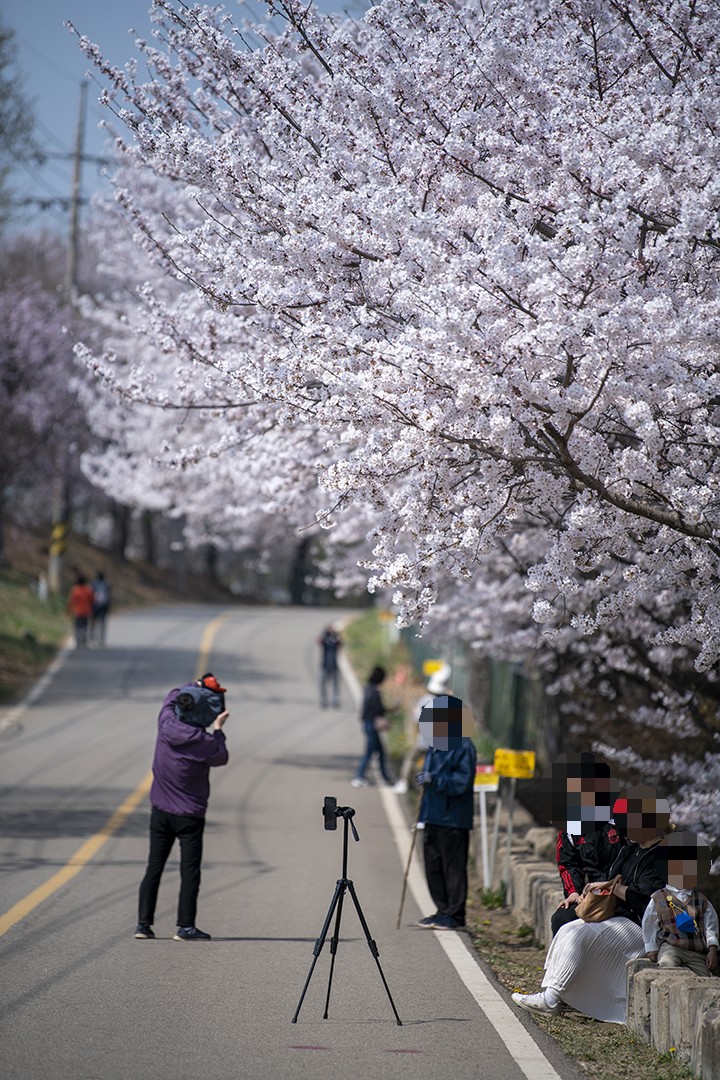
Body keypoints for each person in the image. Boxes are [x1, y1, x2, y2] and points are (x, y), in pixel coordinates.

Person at [512, 787, 671, 1022]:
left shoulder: (662, 854)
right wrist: (587, 889)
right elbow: (570, 862)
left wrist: (613, 888)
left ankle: (554, 997)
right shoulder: (632, 849)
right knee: (567, 926)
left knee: (581, 935)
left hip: (641, 927)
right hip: (619, 915)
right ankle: (555, 993)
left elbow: (648, 899)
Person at [135, 673, 229, 941]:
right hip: (190, 816)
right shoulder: (207, 743)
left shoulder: (165, 724)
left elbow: (171, 695)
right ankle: (185, 926)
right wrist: (219, 729)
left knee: (154, 867)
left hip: (160, 812)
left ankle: (143, 925)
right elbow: (222, 757)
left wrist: (196, 686)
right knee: (190, 872)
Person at [416, 695, 477, 931]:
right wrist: (424, 779)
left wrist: (436, 779)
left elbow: (462, 782)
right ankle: (442, 910)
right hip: (432, 813)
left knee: (453, 867)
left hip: (453, 818)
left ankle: (455, 914)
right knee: (433, 865)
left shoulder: (464, 746)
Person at [643, 830, 718, 977]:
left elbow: (711, 926)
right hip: (671, 946)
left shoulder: (701, 900)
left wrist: (713, 949)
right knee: (667, 967)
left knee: (704, 978)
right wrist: (651, 947)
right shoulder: (659, 898)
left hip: (696, 951)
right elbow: (649, 922)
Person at [393, 664, 451, 796]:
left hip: (424, 739)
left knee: (411, 758)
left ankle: (403, 782)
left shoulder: (425, 700)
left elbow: (417, 718)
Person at [351, 666, 394, 788]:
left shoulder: (368, 689)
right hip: (371, 725)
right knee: (370, 753)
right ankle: (359, 776)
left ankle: (385, 777)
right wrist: (390, 710)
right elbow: (378, 709)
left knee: (380, 752)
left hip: (368, 724)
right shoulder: (375, 692)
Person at [66, 574, 95, 648]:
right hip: (86, 611)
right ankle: (83, 641)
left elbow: (71, 601)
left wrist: (68, 611)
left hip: (78, 611)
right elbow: (92, 600)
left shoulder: (75, 590)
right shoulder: (88, 590)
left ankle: (78, 641)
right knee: (84, 626)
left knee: (77, 626)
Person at [318, 625, 342, 708]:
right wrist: (325, 633)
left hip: (334, 665)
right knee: (323, 684)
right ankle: (324, 700)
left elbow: (340, 644)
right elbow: (319, 641)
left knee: (335, 685)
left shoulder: (335, 640)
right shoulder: (325, 640)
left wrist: (337, 634)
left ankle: (335, 700)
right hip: (325, 665)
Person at [90, 570, 111, 645]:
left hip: (96, 605)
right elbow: (109, 596)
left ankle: (93, 637)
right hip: (102, 605)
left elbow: (90, 594)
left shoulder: (94, 584)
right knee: (101, 623)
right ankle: (100, 638)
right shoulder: (106, 584)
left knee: (94, 622)